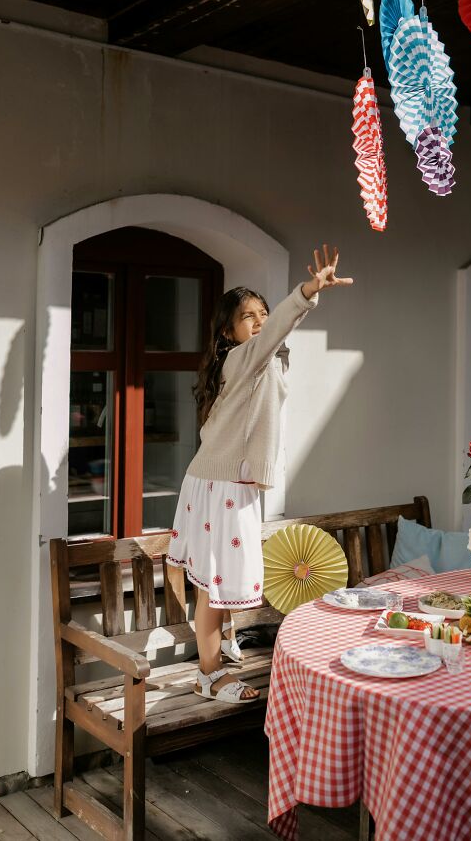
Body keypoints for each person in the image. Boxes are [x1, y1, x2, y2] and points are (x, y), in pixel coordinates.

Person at [167, 245, 353, 701]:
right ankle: (209, 675)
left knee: (215, 579)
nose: (260, 321)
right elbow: (278, 330)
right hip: (223, 486)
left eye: (263, 313)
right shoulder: (243, 358)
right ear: (229, 332)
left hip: (223, 482)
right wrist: (309, 290)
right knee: (214, 584)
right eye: (249, 316)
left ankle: (219, 649)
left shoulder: (255, 364)